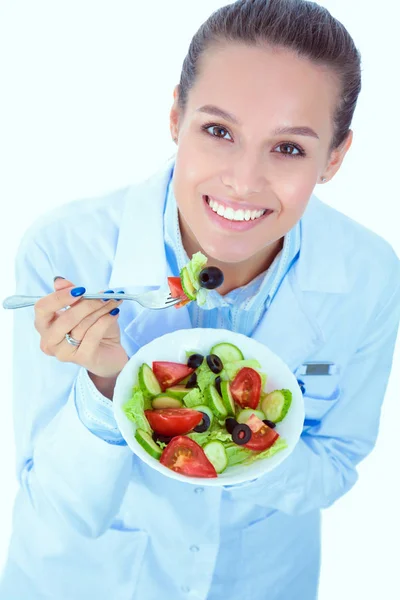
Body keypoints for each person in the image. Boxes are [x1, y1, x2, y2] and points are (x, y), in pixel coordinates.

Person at [1, 0, 399, 598]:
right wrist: (109, 384)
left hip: (262, 581)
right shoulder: (66, 249)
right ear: (174, 118)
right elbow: (64, 509)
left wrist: (244, 438)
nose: (243, 180)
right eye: (218, 131)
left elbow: (334, 466)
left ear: (334, 159)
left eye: (288, 147)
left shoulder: (368, 274)